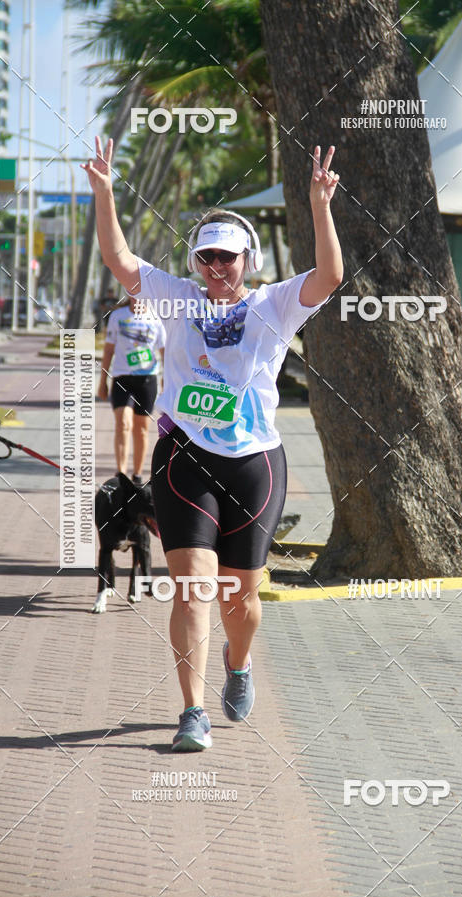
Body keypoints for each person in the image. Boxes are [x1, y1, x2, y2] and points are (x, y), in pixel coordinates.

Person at [83, 135, 342, 751]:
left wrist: (319, 204)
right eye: (206, 259)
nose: (216, 269)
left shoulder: (274, 304)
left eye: (227, 258)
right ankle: (192, 712)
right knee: (194, 585)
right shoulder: (174, 297)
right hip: (185, 460)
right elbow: (121, 261)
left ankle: (240, 661)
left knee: (240, 598)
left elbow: (330, 276)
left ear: (248, 260)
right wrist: (104, 194)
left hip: (255, 463)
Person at [97, 295, 165, 483]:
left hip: (147, 380)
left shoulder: (156, 318)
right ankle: (120, 475)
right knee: (123, 424)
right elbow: (108, 350)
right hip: (122, 378)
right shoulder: (118, 316)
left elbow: (164, 351)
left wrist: (166, 378)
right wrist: (103, 381)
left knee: (141, 429)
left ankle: (136, 475)